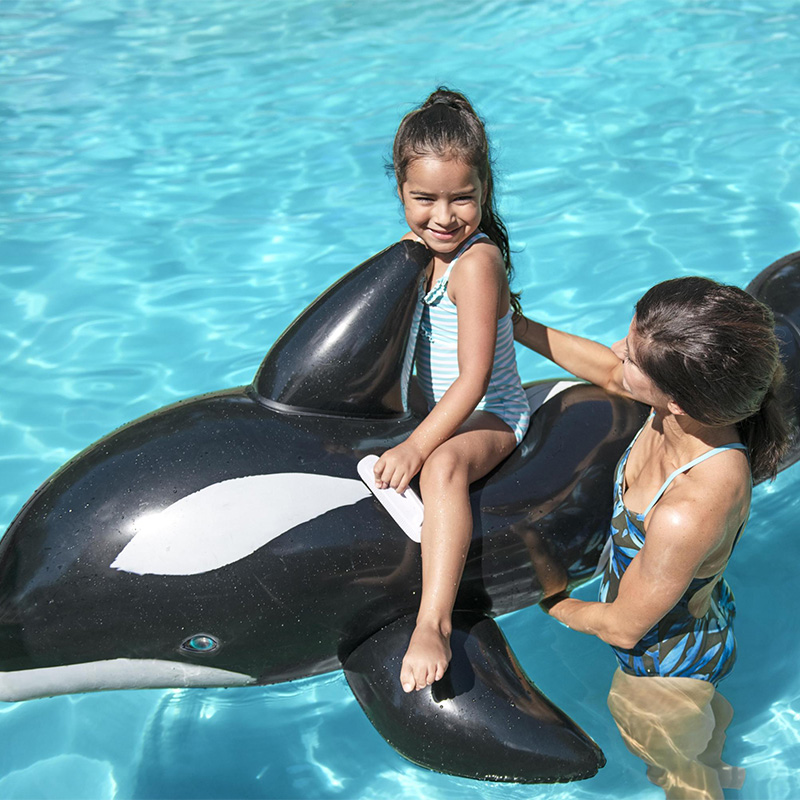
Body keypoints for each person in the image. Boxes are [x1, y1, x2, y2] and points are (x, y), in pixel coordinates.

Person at [514, 277, 790, 799]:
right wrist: (518, 326)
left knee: (678, 780)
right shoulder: (694, 418)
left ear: (680, 400)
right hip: (701, 628)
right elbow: (603, 368)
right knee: (694, 754)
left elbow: (622, 628)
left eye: (633, 357)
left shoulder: (690, 506)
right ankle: (710, 760)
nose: (618, 351)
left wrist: (551, 601)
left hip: (660, 673)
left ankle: (701, 772)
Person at [372, 88, 531, 694]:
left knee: (440, 469)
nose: (444, 215)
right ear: (401, 194)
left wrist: (416, 447)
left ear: (484, 191)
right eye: (424, 199)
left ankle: (433, 621)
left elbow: (475, 380)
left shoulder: (476, 263)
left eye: (462, 198)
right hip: (446, 407)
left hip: (491, 411)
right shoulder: (419, 253)